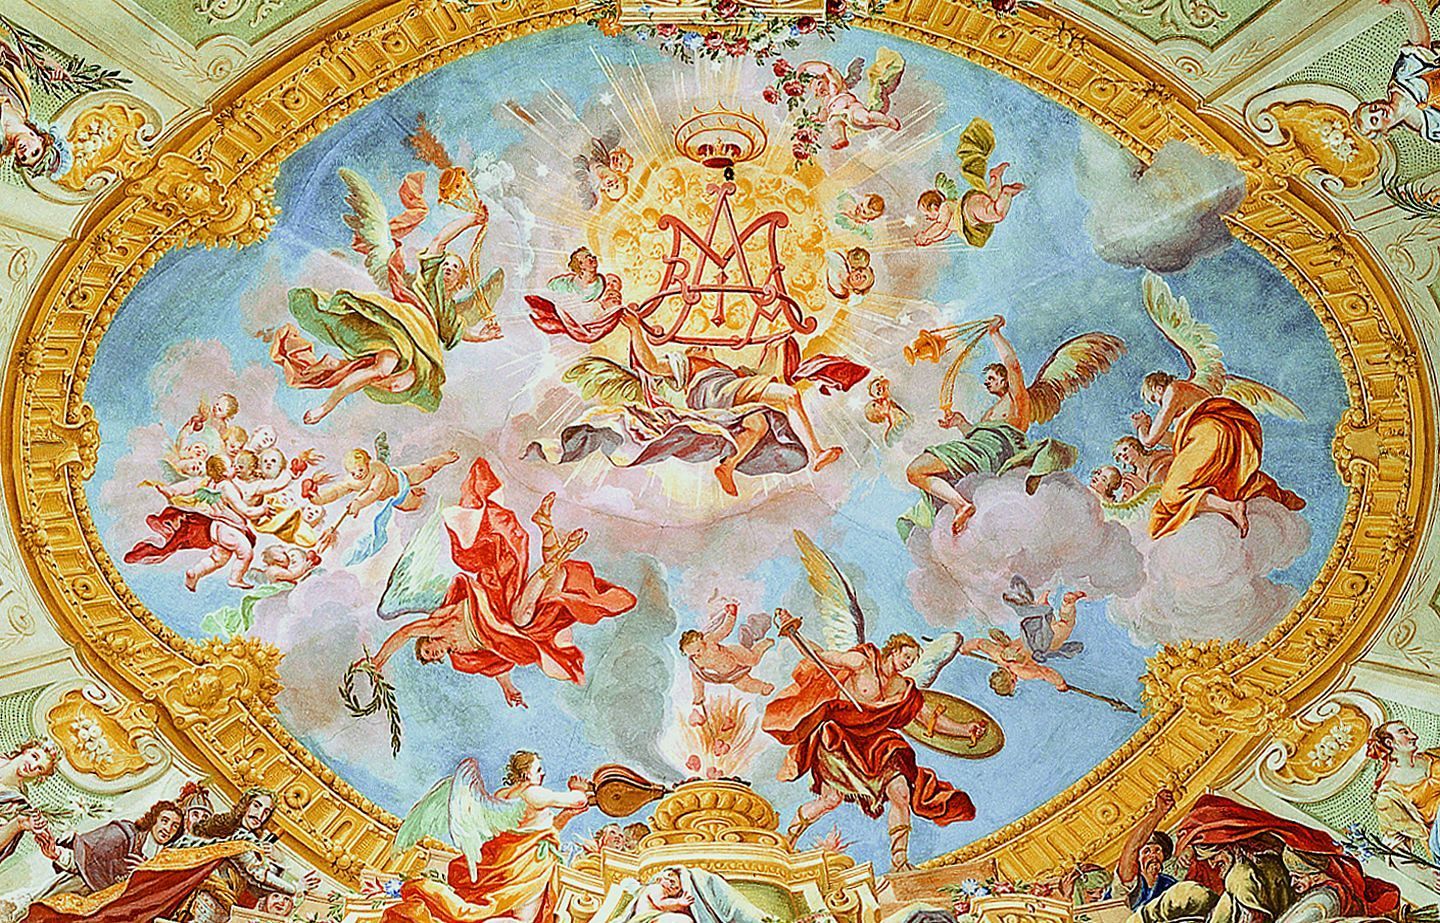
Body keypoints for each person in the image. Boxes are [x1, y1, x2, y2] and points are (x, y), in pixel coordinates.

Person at [366, 459, 635, 707]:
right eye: (432, 656)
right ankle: (546, 527)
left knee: (523, 606)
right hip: (509, 628)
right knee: (546, 597)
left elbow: (402, 634)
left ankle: (561, 549)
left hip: (495, 598)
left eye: (427, 648)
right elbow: (496, 663)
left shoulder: (438, 624)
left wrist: (379, 660)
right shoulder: (462, 659)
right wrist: (508, 688)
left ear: (426, 639)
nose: (433, 652)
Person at [266, 170, 500, 424]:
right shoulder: (429, 279)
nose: (449, 269)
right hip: (401, 327)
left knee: (397, 384)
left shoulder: (448, 312)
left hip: (423, 350)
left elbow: (460, 331)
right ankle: (326, 406)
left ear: (460, 281)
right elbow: (440, 241)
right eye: (447, 264)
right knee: (382, 369)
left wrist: (483, 336)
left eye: (455, 268)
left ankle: (337, 366)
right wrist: (472, 220)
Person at [762, 614, 984, 871]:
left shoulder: (903, 689)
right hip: (840, 737)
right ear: (894, 650)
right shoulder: (862, 661)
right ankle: (787, 840)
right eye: (907, 656)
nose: (908, 663)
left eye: (913, 660)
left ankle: (899, 862)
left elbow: (927, 718)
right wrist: (793, 633)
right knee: (830, 800)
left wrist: (964, 729)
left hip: (876, 743)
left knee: (900, 791)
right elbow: (820, 656)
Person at [382, 751, 592, 923]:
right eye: (538, 769)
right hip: (524, 866)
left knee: (505, 912)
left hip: (508, 863)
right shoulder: (533, 793)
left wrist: (567, 815)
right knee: (522, 918)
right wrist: (578, 789)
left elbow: (540, 830)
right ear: (526, 774)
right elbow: (578, 800)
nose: (543, 773)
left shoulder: (502, 795)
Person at [1127, 795, 1400, 923]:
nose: (1209, 864)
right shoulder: (1221, 883)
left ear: (1227, 843)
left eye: (1211, 855)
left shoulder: (1246, 873)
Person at [1133, 371, 1304, 539]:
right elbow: (1176, 439)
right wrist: (1150, 430)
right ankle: (1278, 495)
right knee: (1224, 483)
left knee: (1172, 494)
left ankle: (1231, 507)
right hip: (1224, 440)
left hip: (1209, 436)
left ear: (1157, 387)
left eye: (1154, 399)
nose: (1158, 404)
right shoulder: (1189, 395)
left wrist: (1142, 427)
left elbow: (1149, 441)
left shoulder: (1173, 390)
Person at [172, 788, 320, 923]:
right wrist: (295, 888)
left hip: (224, 904)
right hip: (208, 899)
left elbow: (256, 887)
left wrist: (276, 858)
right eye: (256, 806)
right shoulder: (239, 836)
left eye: (266, 812)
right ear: (246, 805)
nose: (260, 815)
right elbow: (258, 874)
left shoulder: (251, 841)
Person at [31, 800, 182, 897]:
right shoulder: (121, 835)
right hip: (78, 887)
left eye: (174, 826)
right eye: (164, 821)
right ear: (154, 819)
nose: (168, 829)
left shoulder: (161, 859)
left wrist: (144, 874)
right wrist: (57, 854)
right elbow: (85, 859)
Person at [1353, 0, 1440, 143]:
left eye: (1374, 107)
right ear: (1383, 131)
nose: (1379, 111)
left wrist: (1405, 5)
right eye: (1375, 120)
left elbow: (1420, 44)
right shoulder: (1430, 132)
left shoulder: (1403, 80)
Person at [681, 599, 775, 724]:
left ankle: (762, 645)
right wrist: (699, 696)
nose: (697, 655)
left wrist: (731, 615)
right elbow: (697, 679)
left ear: (701, 641)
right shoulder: (697, 662)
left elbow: (724, 630)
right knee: (745, 685)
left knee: (753, 660)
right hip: (730, 673)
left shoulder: (709, 640)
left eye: (698, 650)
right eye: (693, 654)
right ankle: (763, 687)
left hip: (734, 654)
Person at [0, 25, 69, 179]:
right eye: (35, 151)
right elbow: (18, 56)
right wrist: (49, 64)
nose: (26, 152)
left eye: (24, 158)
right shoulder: (21, 102)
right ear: (40, 139)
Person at [1368, 719, 1440, 860]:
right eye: (1405, 733)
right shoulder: (1388, 795)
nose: (1414, 736)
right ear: (1390, 743)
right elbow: (1393, 843)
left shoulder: (1433, 755)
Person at [1115, 790, 1178, 912]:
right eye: (1147, 851)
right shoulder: (1131, 882)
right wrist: (1158, 812)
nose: (1153, 855)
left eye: (1157, 850)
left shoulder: (1169, 884)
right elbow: (1132, 848)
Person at [0, 739, 60, 866]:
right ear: (26, 750)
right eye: (34, 756)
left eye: (39, 768)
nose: (32, 767)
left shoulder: (18, 804)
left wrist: (19, 824)